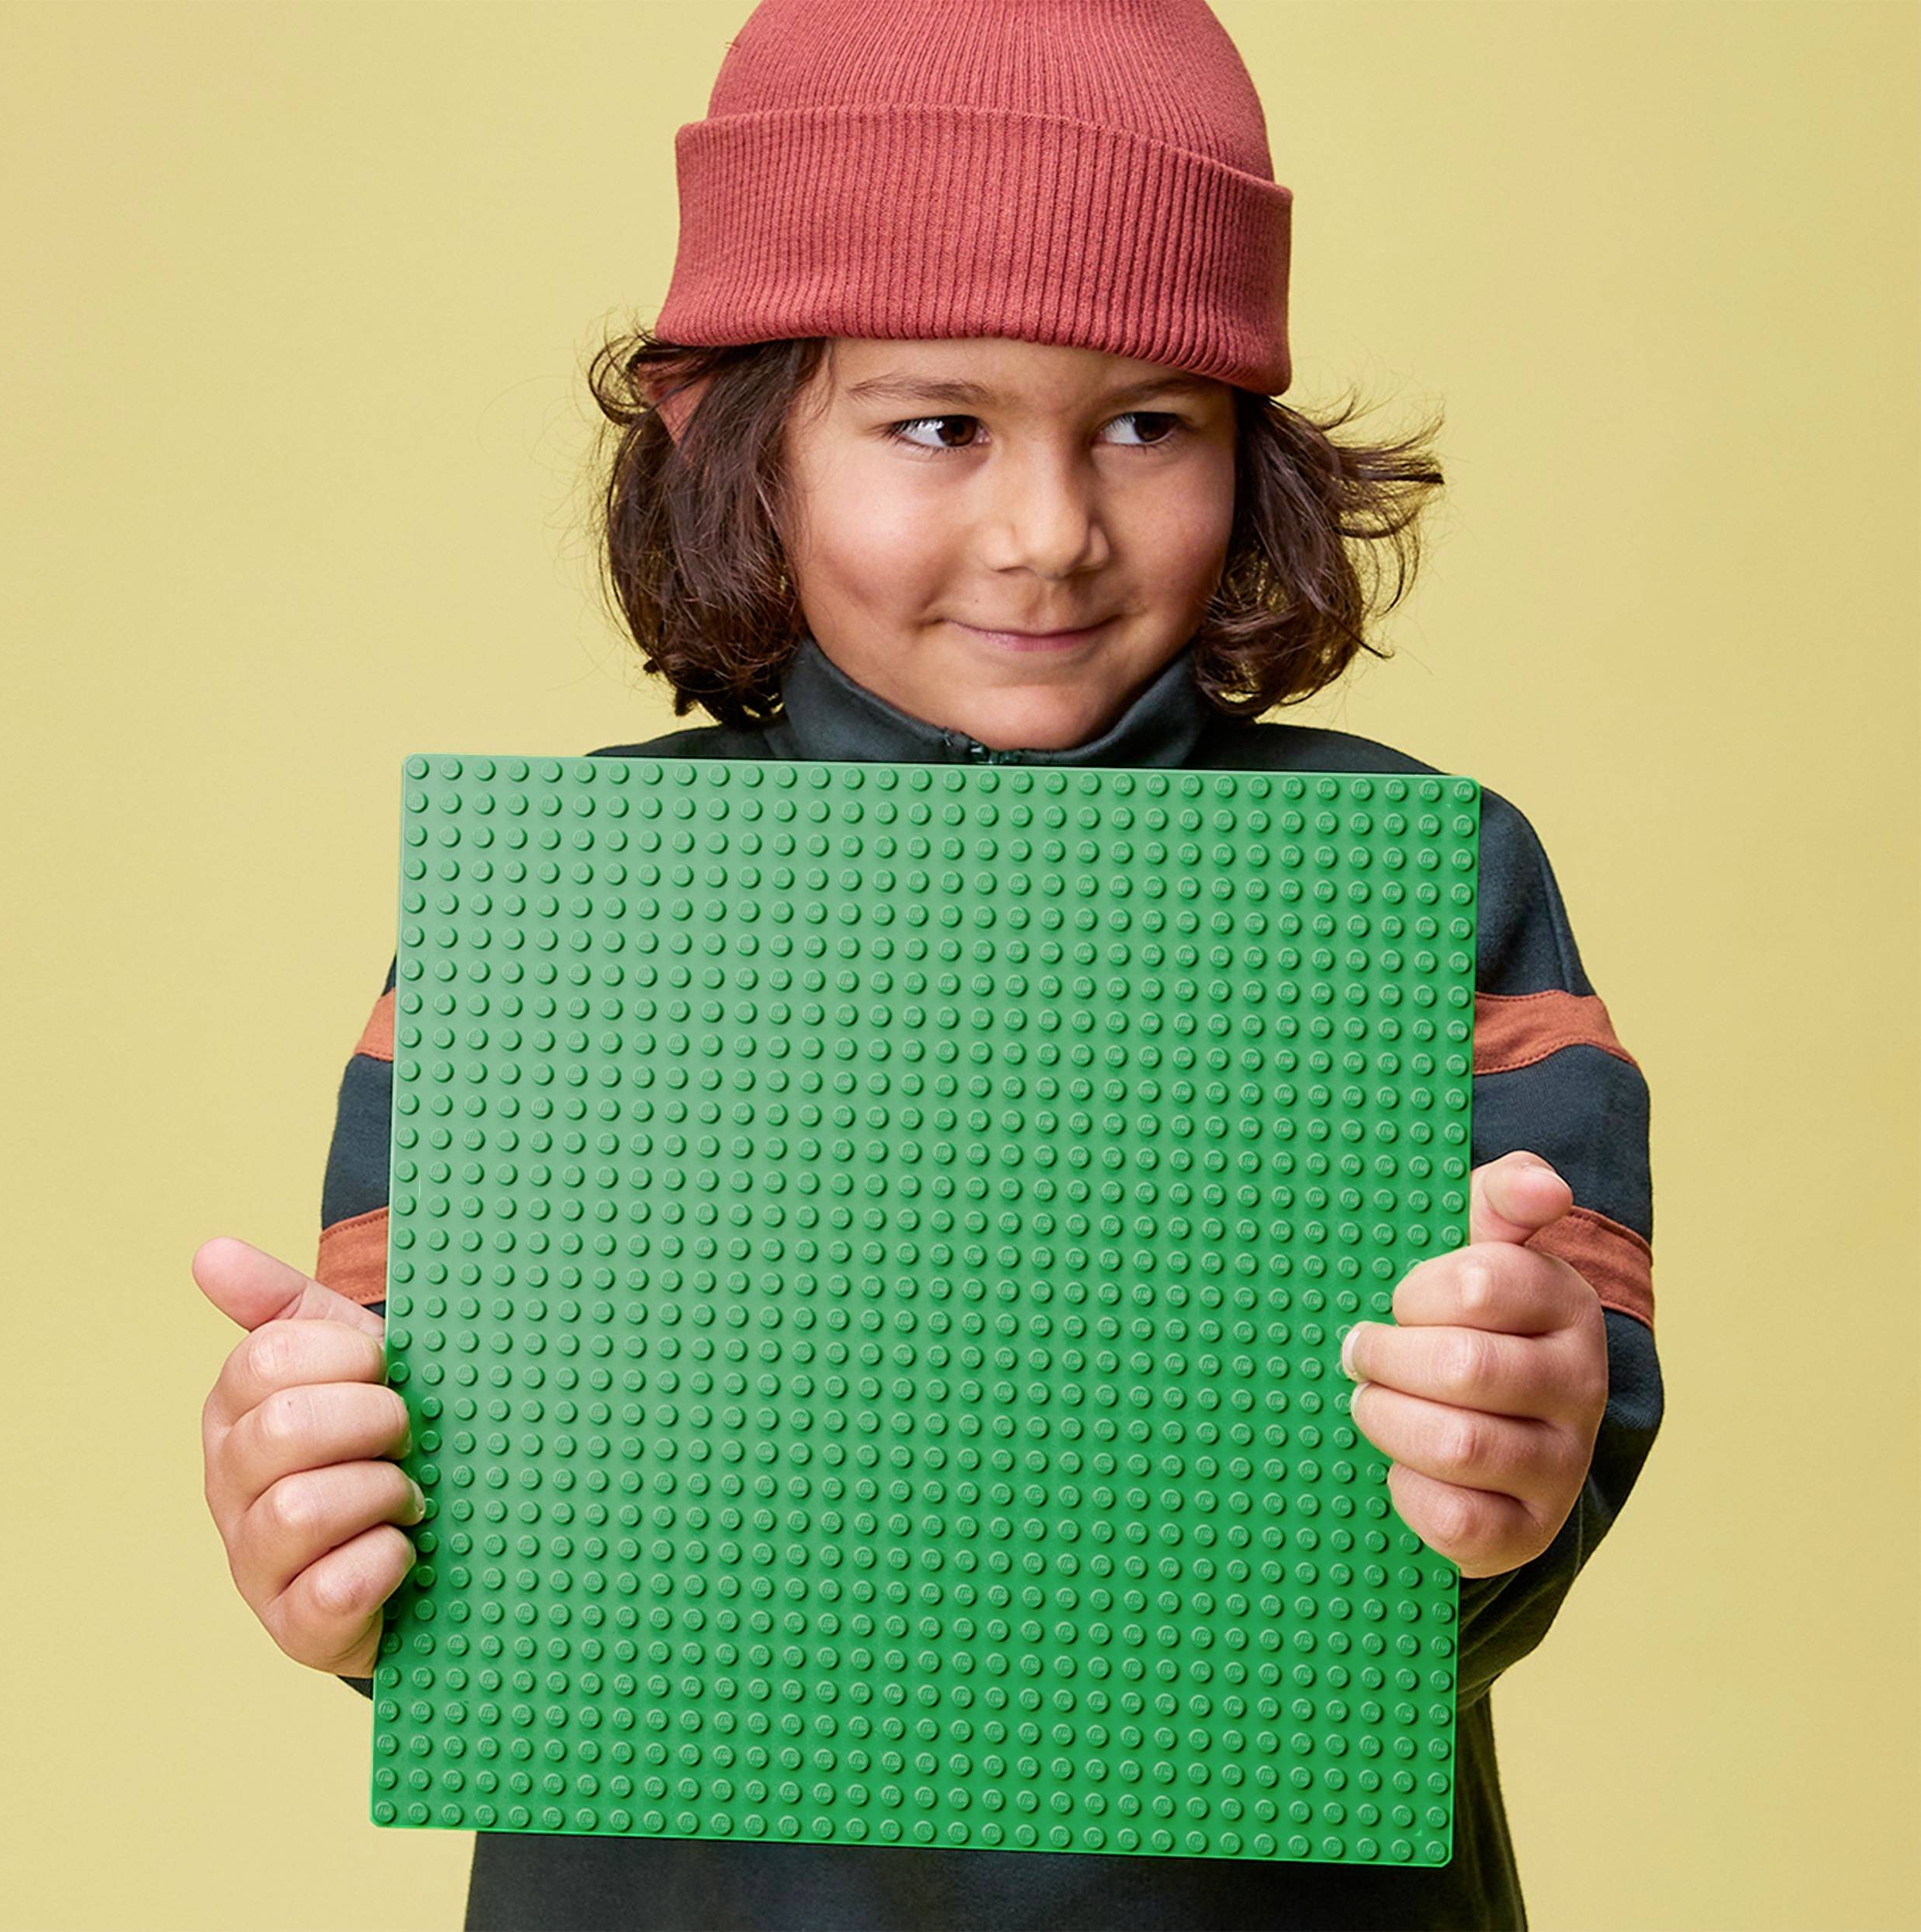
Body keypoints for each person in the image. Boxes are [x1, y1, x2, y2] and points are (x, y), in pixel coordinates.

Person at [194, 2, 1663, 1927]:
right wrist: (319, 1523)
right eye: (937, 424)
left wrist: (1520, 1450)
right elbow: (455, 1540)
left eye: (1149, 422)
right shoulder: (554, 912)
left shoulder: (1423, 881)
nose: (1047, 532)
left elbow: (1551, 1438)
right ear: (727, 431)